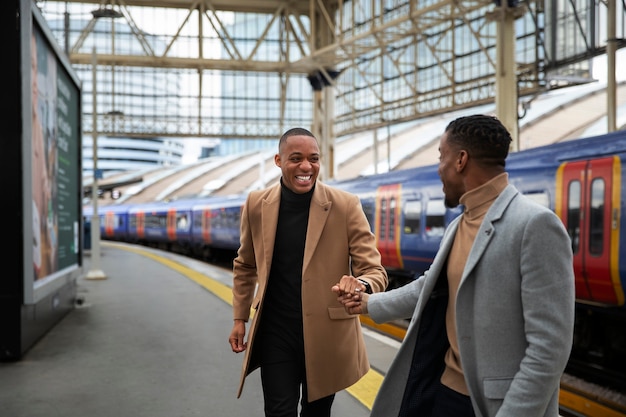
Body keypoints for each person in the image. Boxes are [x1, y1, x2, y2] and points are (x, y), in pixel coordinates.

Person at [333, 114, 575, 417]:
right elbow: (428, 287)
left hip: (493, 405)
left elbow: (550, 346)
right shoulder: (460, 224)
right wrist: (367, 302)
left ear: (461, 160)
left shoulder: (535, 225)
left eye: (441, 157)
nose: (439, 169)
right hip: (445, 391)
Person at [228, 127, 388, 417]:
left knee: (317, 413)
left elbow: (374, 270)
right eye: (296, 158)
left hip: (328, 333)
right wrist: (240, 318)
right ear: (278, 160)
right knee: (279, 411)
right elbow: (245, 264)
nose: (306, 167)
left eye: (313, 159)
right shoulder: (256, 204)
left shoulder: (345, 205)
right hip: (276, 332)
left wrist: (361, 284)